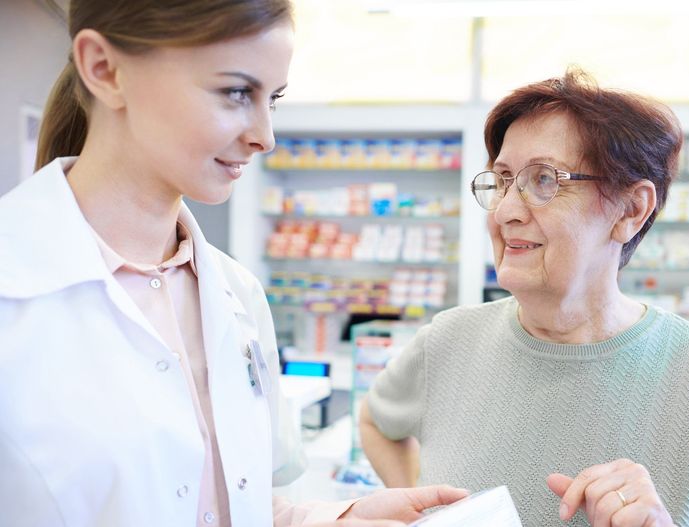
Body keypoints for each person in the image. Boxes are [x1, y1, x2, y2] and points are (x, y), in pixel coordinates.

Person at [0, 1, 467, 526]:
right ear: (106, 70)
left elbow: (226, 506)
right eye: (237, 92)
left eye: (276, 99)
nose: (265, 136)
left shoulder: (235, 292)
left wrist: (332, 519)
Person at [360, 70, 689, 527]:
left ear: (631, 210)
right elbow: (375, 421)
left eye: (544, 180)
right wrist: (427, 511)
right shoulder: (449, 340)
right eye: (503, 180)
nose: (506, 211)